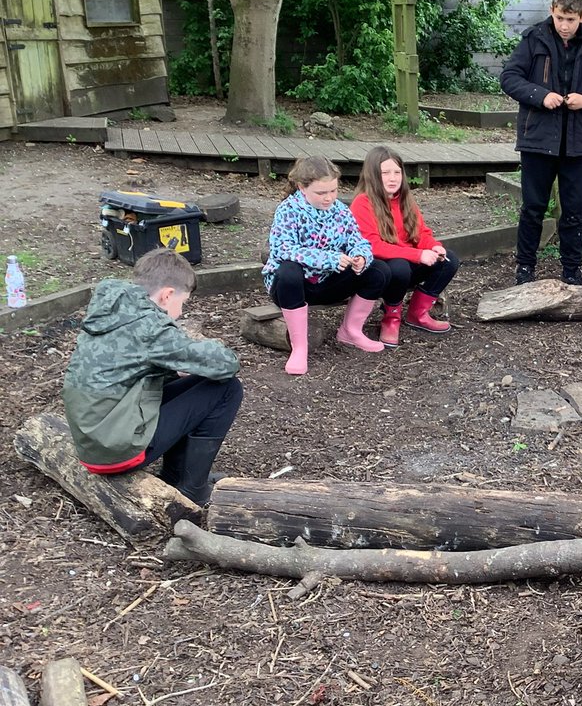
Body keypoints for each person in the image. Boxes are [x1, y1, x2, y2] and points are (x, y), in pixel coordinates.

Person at [62, 249, 242, 506]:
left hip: (96, 433)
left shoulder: (115, 309)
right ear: (167, 295)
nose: (180, 313)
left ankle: (176, 476)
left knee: (187, 383)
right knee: (227, 389)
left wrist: (174, 370)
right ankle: (192, 490)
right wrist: (206, 348)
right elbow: (226, 363)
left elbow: (130, 367)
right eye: (183, 303)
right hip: (114, 449)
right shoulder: (150, 327)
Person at [500, 0, 582, 286]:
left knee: (575, 210)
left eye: (571, 20)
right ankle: (525, 269)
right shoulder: (534, 38)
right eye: (560, 18)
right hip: (537, 140)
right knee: (533, 208)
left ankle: (572, 271)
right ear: (552, 10)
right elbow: (509, 78)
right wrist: (541, 95)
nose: (564, 26)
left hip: (576, 143)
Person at [263, 155, 388, 375]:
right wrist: (328, 258)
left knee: (378, 270)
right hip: (292, 288)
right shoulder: (288, 210)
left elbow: (357, 240)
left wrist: (360, 256)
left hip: (327, 283)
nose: (329, 198)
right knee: (288, 270)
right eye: (321, 193)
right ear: (302, 187)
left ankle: (351, 330)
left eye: (333, 190)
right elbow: (282, 249)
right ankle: (299, 347)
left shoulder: (340, 210)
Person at [350, 146, 458, 342]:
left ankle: (417, 313)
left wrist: (433, 246)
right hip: (380, 270)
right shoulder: (363, 202)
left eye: (397, 172)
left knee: (449, 261)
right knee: (400, 267)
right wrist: (418, 255)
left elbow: (420, 233)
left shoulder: (405, 200)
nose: (393, 178)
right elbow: (372, 245)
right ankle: (391, 318)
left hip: (406, 262)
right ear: (373, 175)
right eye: (386, 173)